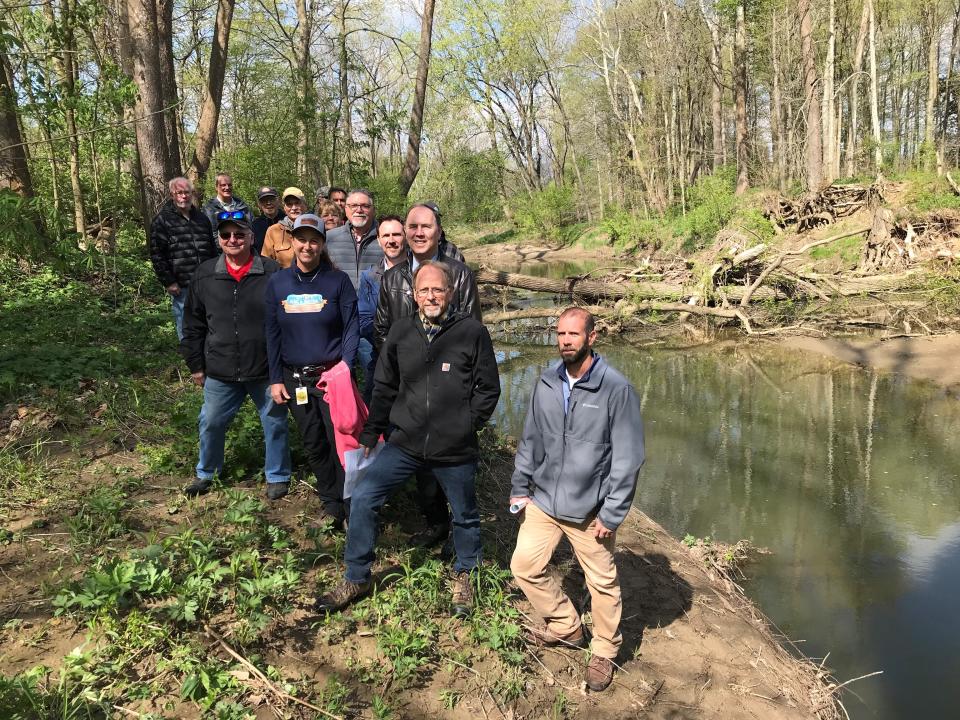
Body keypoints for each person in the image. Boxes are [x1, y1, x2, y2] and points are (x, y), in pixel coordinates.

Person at [317, 261, 501, 615]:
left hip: (455, 447)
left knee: (464, 513)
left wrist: (466, 424)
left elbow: (488, 389)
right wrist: (373, 431)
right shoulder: (401, 332)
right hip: (406, 443)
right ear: (414, 295)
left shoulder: (472, 332)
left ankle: (465, 573)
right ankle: (357, 576)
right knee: (365, 496)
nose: (431, 296)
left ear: (450, 293)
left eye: (437, 289)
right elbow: (384, 386)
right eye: (424, 290)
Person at [509, 307, 645, 692]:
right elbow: (531, 441)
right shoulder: (547, 382)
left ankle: (604, 650)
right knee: (524, 565)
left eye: (573, 334)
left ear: (592, 337)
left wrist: (613, 512)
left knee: (602, 583)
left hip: (590, 513)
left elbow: (628, 458)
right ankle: (566, 626)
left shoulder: (616, 389)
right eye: (560, 334)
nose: (565, 340)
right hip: (545, 502)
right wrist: (522, 487)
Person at [180, 212, 291, 499]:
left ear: (252, 237)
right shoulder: (205, 274)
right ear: (218, 239)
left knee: (275, 422)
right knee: (211, 421)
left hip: (265, 367)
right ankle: (206, 473)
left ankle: (277, 474)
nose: (233, 240)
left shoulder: (272, 273)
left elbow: (286, 321)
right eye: (226, 235)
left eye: (240, 234)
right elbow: (192, 323)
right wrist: (196, 364)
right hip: (220, 367)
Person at [265, 213, 359, 522]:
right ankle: (330, 502)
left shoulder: (337, 281)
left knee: (340, 443)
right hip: (296, 380)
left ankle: (350, 503)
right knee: (313, 442)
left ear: (322, 243)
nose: (308, 246)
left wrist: (345, 366)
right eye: (302, 239)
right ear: (292, 241)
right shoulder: (278, 283)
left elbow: (351, 328)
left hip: (332, 379)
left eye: (314, 240)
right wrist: (276, 378)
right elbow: (272, 333)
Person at [373, 204, 479, 353]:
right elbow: (381, 332)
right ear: (405, 231)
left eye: (426, 227)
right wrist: (402, 364)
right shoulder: (391, 278)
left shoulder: (462, 275)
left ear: (439, 232)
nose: (419, 233)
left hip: (450, 371)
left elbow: (473, 332)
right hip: (403, 372)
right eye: (413, 226)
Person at [149, 176, 218, 340]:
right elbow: (157, 253)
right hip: (181, 284)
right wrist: (168, 281)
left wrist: (216, 272)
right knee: (185, 323)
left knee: (209, 319)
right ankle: (190, 357)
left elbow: (211, 247)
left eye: (186, 192)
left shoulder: (201, 218)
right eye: (179, 192)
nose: (183, 196)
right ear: (172, 194)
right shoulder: (162, 220)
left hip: (206, 280)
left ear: (192, 193)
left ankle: (208, 354)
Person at [357, 215, 405, 403]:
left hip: (418, 359)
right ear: (378, 239)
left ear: (406, 236)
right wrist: (389, 345)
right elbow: (364, 320)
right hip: (382, 356)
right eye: (385, 236)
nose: (391, 240)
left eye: (396, 235)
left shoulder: (421, 273)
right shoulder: (369, 276)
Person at [262, 187, 307, 268]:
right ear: (284, 208)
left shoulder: (314, 228)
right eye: (289, 204)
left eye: (297, 203)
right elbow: (266, 262)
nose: (294, 208)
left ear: (304, 205)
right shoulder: (273, 231)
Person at [202, 173, 252, 244]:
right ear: (216, 187)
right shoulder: (209, 209)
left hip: (243, 248)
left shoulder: (243, 206)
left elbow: (250, 228)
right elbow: (211, 234)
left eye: (229, 185)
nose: (227, 187)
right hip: (220, 252)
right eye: (223, 185)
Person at [252, 187, 285, 255]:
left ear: (278, 200)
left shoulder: (287, 221)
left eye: (271, 199)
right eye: (264, 200)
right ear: (259, 204)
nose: (268, 203)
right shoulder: (254, 226)